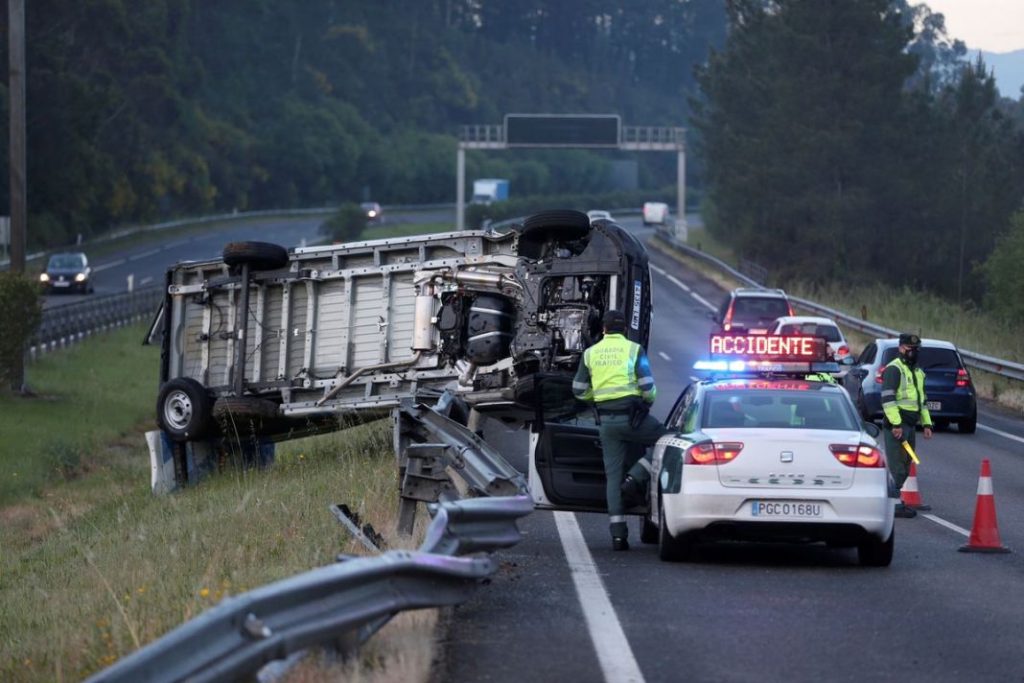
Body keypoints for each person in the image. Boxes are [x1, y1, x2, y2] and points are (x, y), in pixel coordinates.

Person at [572, 310, 667, 551]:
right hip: (634, 419)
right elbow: (648, 388)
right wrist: (647, 402)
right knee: (666, 441)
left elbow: (578, 390)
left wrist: (597, 399)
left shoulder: (590, 353)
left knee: (611, 478)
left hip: (607, 423)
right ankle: (635, 477)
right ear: (624, 329)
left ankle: (617, 536)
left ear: (604, 329)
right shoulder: (634, 350)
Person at [881, 333, 934, 518]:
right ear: (901, 348)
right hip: (898, 426)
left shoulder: (918, 372)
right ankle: (892, 503)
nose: (914, 353)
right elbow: (888, 399)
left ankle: (893, 499)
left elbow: (922, 401)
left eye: (916, 350)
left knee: (907, 461)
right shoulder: (894, 369)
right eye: (911, 349)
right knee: (898, 466)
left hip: (910, 426)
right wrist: (896, 424)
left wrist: (927, 423)